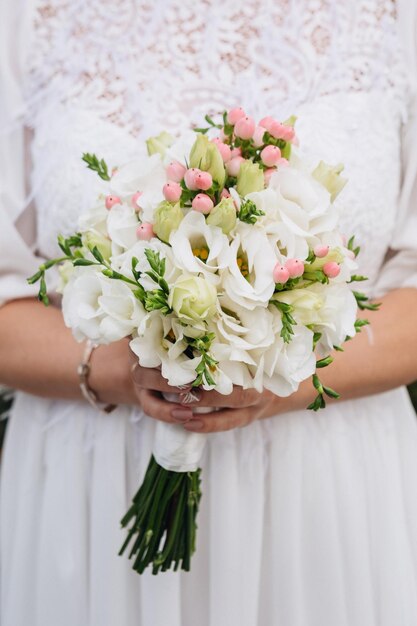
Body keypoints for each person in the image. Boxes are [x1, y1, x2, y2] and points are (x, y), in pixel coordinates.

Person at [1, 1, 417, 625]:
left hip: (325, 486)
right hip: (90, 478)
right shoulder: (28, 15)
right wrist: (122, 368)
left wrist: (280, 377)